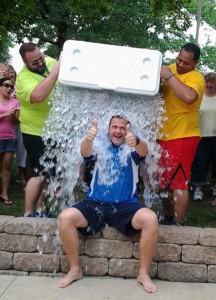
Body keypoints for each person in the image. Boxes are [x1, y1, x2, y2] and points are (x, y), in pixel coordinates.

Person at [58, 115, 158, 293]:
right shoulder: (100, 146)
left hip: (126, 206)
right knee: (65, 217)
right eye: (114, 127)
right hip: (95, 203)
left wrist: (136, 140)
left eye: (122, 127)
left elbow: (144, 152)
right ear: (109, 129)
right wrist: (88, 138)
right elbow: (85, 152)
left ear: (128, 129)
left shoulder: (132, 148)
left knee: (150, 219)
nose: (118, 131)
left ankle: (143, 273)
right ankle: (75, 269)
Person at [158, 43, 206, 225]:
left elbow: (188, 97)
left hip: (184, 135)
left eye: (186, 63)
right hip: (163, 134)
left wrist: (169, 76)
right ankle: (167, 217)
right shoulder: (168, 68)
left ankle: (178, 223)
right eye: (179, 59)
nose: (180, 65)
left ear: (195, 63)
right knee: (163, 182)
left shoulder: (197, 77)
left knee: (178, 181)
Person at [16, 42, 61, 217]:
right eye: (35, 62)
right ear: (25, 62)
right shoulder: (23, 78)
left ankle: (40, 209)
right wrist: (56, 71)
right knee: (38, 173)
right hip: (35, 133)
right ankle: (28, 214)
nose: (41, 63)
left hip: (55, 131)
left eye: (41, 58)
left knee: (50, 174)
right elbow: (37, 96)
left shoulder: (49, 62)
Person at [191, 72, 216, 204]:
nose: (209, 84)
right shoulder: (198, 97)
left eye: (212, 82)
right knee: (200, 163)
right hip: (201, 136)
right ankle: (198, 188)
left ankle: (215, 187)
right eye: (207, 82)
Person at [0, 77, 20, 204]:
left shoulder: (15, 102)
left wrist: (15, 116)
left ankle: (4, 193)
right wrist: (4, 115)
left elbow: (17, 122)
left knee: (6, 166)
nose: (9, 88)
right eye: (6, 85)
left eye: (11, 87)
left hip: (10, 138)